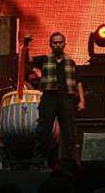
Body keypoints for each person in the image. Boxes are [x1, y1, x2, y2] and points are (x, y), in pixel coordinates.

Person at [29, 32, 85, 162]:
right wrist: (26, 45)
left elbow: (78, 81)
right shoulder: (44, 60)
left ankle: (73, 162)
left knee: (69, 131)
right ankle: (39, 161)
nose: (58, 45)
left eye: (60, 42)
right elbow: (28, 60)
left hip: (65, 97)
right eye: (55, 43)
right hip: (49, 96)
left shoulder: (71, 62)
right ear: (50, 44)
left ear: (65, 44)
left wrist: (82, 100)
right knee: (44, 129)